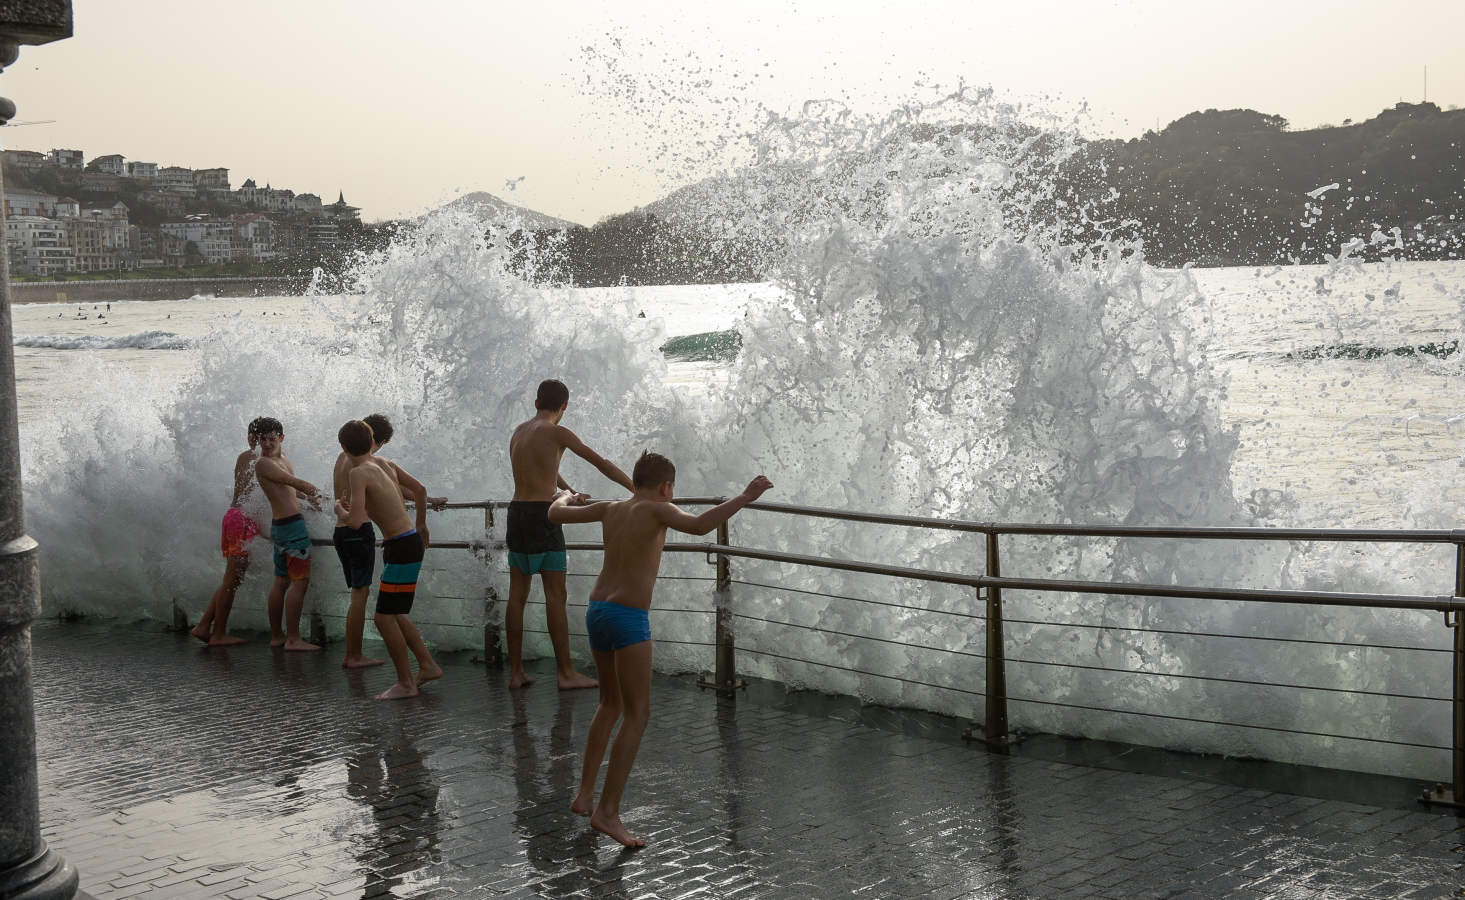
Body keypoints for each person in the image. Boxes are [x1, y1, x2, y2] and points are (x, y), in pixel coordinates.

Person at [550, 452, 773, 847]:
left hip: (597, 610)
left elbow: (555, 516)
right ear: (666, 486)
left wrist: (566, 496)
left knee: (609, 704)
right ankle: (607, 812)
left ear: (634, 481)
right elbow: (703, 525)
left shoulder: (611, 508)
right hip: (628, 617)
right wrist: (745, 496)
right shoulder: (659, 509)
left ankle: (584, 795)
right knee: (638, 714)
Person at [506, 378, 634, 690]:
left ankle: (516, 673)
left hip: (517, 513)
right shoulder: (557, 432)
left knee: (517, 597)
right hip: (542, 517)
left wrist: (568, 490)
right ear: (564, 407)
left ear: (537, 402)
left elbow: (542, 469)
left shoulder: (519, 432)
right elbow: (600, 462)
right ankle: (565, 673)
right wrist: (635, 490)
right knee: (555, 596)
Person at [335, 419, 442, 700]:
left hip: (400, 546)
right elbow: (420, 489)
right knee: (393, 613)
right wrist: (421, 524)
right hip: (408, 541)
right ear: (372, 441)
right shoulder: (384, 463)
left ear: (344, 447)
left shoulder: (358, 472)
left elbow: (356, 521)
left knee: (383, 618)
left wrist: (339, 510)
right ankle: (428, 665)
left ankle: (406, 684)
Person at [191, 417, 268, 646]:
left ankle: (205, 626)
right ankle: (218, 633)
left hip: (233, 517)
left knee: (231, 579)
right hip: (242, 520)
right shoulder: (261, 459)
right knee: (231, 581)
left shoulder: (244, 456)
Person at [254, 417, 324, 651]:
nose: (266, 443)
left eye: (271, 438)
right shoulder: (263, 463)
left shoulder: (282, 459)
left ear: (281, 438)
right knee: (299, 582)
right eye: (262, 439)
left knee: (282, 581)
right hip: (291, 528)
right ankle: (292, 639)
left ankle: (278, 637)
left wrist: (309, 499)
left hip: (282, 526)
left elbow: (290, 489)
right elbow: (291, 481)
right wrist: (319, 492)